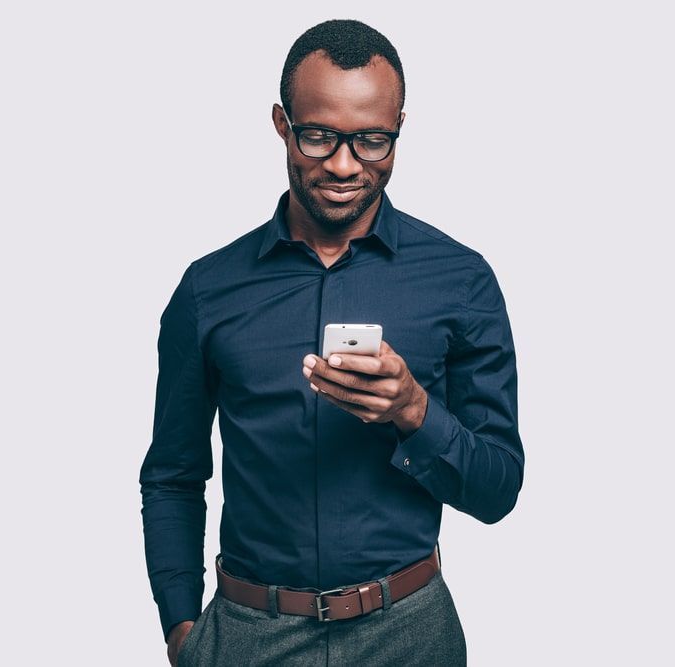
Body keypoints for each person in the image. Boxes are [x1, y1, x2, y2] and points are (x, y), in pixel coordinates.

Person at [139, 18, 524, 666]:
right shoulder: (209, 289)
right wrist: (182, 630)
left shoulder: (461, 281)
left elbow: (498, 488)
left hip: (410, 632)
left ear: (400, 127)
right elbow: (174, 475)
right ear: (282, 124)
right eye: (319, 136)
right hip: (247, 635)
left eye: (372, 140)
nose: (345, 165)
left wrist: (414, 412)